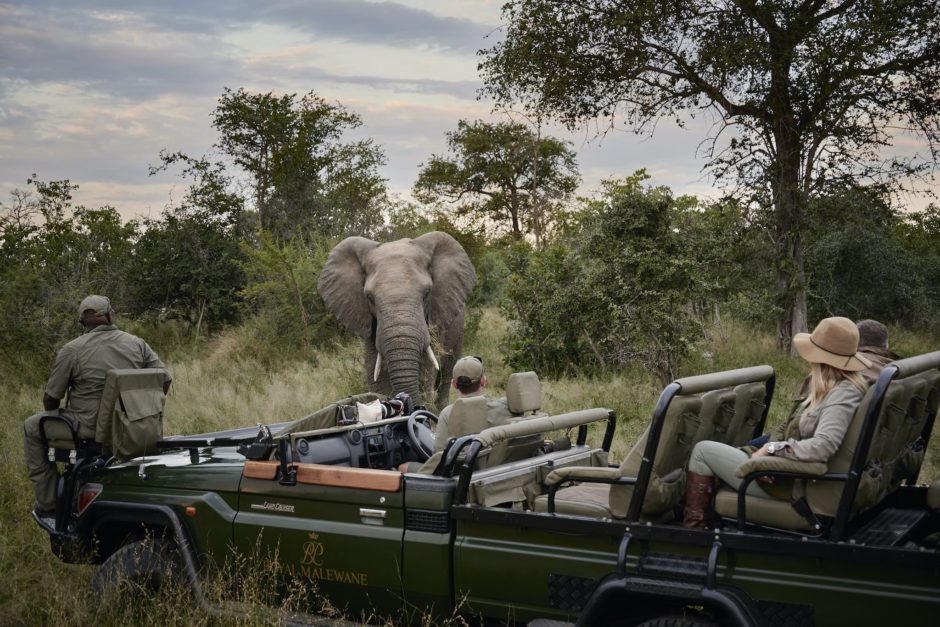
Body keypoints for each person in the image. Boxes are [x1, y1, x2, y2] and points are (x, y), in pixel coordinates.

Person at [682, 316, 870, 528]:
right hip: (786, 470)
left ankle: (695, 533)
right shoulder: (826, 385)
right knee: (730, 452)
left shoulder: (843, 393)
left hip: (793, 483)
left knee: (702, 451)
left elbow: (823, 446)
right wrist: (766, 452)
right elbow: (787, 424)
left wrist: (772, 450)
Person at [24, 295, 172, 520]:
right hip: (130, 426)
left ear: (83, 322)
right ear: (110, 316)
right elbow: (165, 380)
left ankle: (49, 504)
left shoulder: (72, 349)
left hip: (87, 429)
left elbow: (50, 400)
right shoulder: (137, 344)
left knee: (31, 426)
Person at [745, 318, 898, 449]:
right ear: (886, 345)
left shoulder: (838, 379)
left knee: (736, 453)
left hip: (798, 455)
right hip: (865, 455)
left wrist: (770, 450)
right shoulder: (896, 373)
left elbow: (807, 435)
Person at [433, 355, 512, 452]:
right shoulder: (503, 407)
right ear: (483, 381)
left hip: (463, 466)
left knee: (408, 466)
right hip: (496, 464)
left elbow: (438, 452)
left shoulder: (447, 414)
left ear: (454, 384)